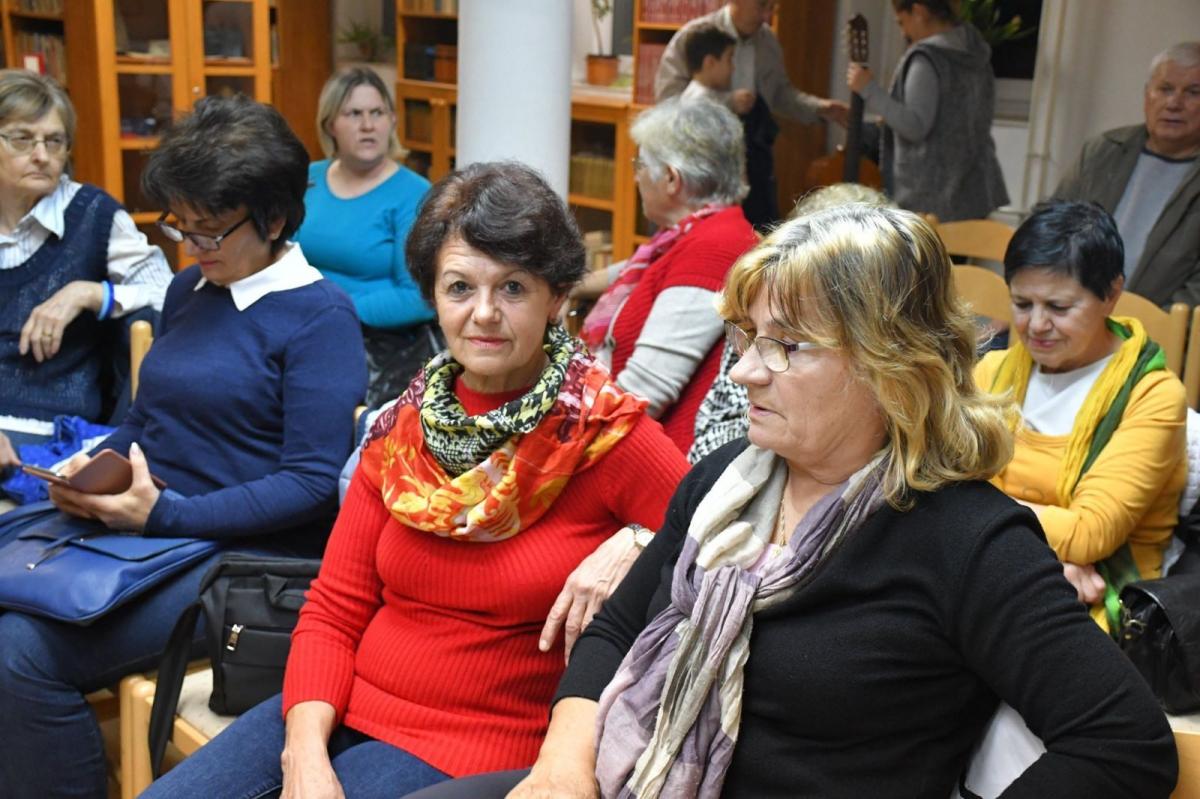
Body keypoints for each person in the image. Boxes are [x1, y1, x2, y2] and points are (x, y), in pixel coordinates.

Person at [412, 204, 1178, 798]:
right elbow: (615, 629)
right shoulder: (729, 480)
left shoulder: (967, 538)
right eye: (748, 337)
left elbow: (1123, 742)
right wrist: (561, 768)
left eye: (785, 345)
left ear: (888, 363)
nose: (743, 371)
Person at [140, 162, 690, 799]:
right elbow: (334, 608)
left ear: (558, 297)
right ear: (433, 294)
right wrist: (304, 753)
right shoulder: (403, 428)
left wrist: (639, 542)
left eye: (513, 288)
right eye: (459, 288)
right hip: (340, 707)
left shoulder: (601, 432)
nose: (483, 314)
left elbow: (721, 535)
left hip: (479, 748)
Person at [0, 94, 367, 798]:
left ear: (275, 220)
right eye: (180, 227)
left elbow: (311, 483)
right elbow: (147, 419)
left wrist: (163, 515)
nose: (191, 249)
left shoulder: (319, 316)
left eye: (210, 231)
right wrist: (93, 466)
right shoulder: (191, 288)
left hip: (244, 558)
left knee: (21, 652)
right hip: (151, 531)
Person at [976, 200, 1186, 631]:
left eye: (1058, 307)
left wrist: (967, 507)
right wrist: (1049, 558)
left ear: (1111, 294)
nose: (1036, 325)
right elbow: (932, 477)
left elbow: (1090, 534)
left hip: (1105, 596)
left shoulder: (1152, 396)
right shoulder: (993, 372)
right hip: (1005, 569)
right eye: (1022, 303)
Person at [0, 69, 171, 470]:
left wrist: (90, 293)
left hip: (57, 432)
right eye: (22, 139)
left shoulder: (93, 214)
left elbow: (170, 295)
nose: (41, 155)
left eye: (54, 141)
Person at [576, 99, 758, 455]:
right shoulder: (699, 231)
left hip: (654, 460)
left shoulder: (714, 248)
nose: (635, 177)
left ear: (671, 179)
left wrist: (561, 433)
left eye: (640, 165)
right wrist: (569, 286)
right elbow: (640, 270)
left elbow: (644, 392)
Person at [295, 67, 436, 408]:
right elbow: (281, 254)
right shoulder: (308, 179)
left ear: (392, 121)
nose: (368, 125)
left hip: (373, 347)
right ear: (331, 124)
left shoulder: (414, 194)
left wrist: (334, 311)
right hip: (298, 328)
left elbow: (418, 297)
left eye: (378, 113)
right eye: (354, 114)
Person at [655, 0, 847, 228]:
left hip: (754, 155)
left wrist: (819, 108)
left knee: (758, 230)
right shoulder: (697, 35)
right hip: (704, 159)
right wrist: (727, 102)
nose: (766, 16)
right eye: (761, 6)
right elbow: (669, 102)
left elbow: (780, 93)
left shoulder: (767, 41)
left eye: (772, 8)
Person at [1053, 41, 1200, 307]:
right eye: (1165, 89)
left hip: (1157, 327)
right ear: (1147, 95)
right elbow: (1048, 223)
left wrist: (1142, 323)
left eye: (1193, 92)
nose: (1174, 103)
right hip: (1066, 310)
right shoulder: (1103, 150)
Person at [844, 0, 1009, 221]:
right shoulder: (975, 55)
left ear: (919, 11)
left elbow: (915, 126)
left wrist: (868, 89)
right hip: (975, 188)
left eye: (902, 22)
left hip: (931, 196)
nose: (903, 33)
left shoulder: (926, 59)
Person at [680, 23, 753, 115]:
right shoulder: (700, 106)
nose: (733, 68)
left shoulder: (702, 96)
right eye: (729, 59)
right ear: (710, 63)